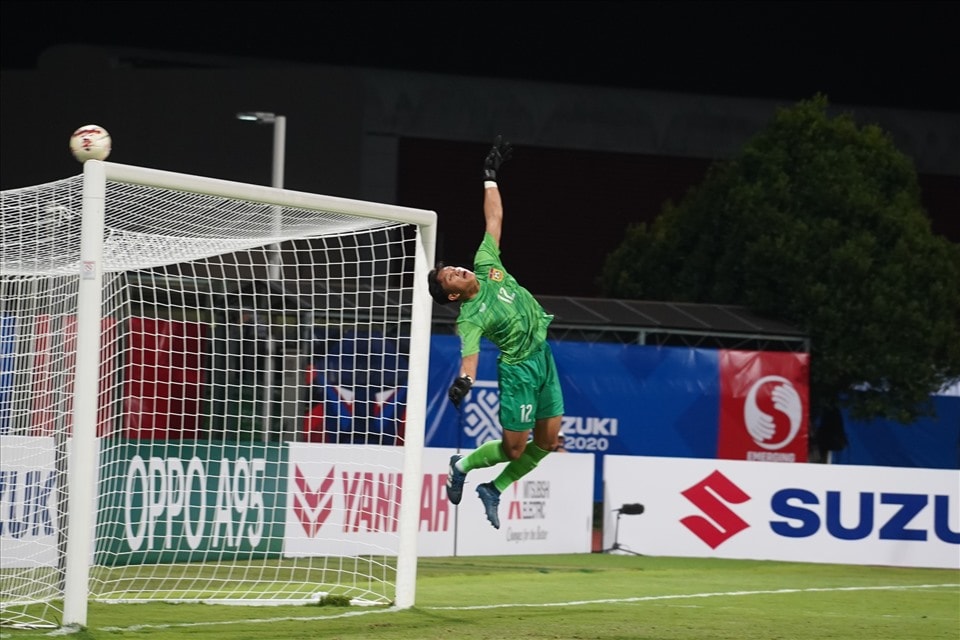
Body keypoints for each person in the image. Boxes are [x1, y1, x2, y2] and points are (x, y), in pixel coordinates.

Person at [427, 135, 565, 529]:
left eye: (453, 265)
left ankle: (493, 489)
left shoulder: (487, 263)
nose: (457, 268)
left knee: (548, 442)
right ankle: (464, 465)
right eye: (451, 274)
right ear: (453, 293)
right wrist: (464, 381)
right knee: (513, 446)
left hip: (543, 357)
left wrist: (490, 176)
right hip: (519, 371)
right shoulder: (469, 316)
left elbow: (494, 219)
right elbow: (469, 354)